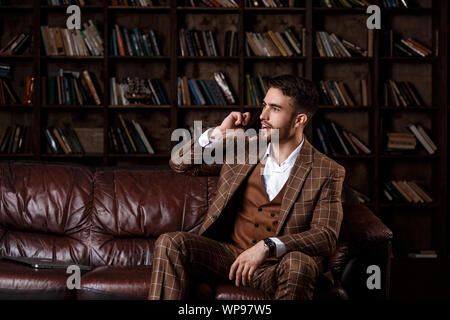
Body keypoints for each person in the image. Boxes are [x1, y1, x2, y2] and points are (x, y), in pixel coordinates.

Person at [148, 74, 345, 300]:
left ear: (299, 120)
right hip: (228, 256)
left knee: (299, 263)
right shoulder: (245, 150)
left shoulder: (327, 170)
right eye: (264, 105)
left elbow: (326, 235)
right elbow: (180, 164)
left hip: (277, 268)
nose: (263, 115)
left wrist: (267, 246)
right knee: (171, 242)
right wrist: (216, 134)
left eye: (275, 108)